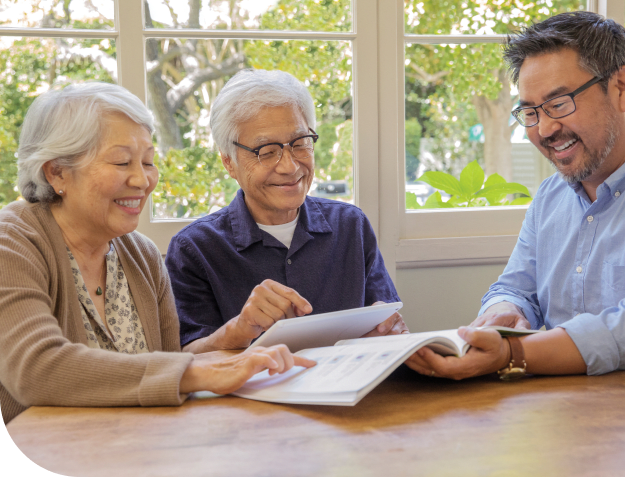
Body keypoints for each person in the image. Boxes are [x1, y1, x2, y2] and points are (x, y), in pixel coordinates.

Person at [0, 82, 314, 426]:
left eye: (148, 161)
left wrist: (234, 351)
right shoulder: (13, 243)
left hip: (137, 451)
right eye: (122, 162)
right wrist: (199, 373)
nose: (142, 179)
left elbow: (168, 363)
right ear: (56, 171)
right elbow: (36, 370)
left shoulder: (141, 255)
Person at [406, 11, 625, 380]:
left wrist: (514, 353)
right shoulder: (550, 197)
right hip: (561, 415)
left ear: (620, 89)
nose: (544, 129)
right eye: (529, 111)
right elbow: (515, 287)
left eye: (559, 104)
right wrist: (504, 313)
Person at [165, 69, 406, 354]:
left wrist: (387, 329)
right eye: (266, 151)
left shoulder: (351, 226)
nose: (290, 166)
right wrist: (239, 330)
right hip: (248, 398)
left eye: (300, 143)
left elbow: (390, 322)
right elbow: (186, 360)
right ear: (229, 162)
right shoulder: (194, 249)